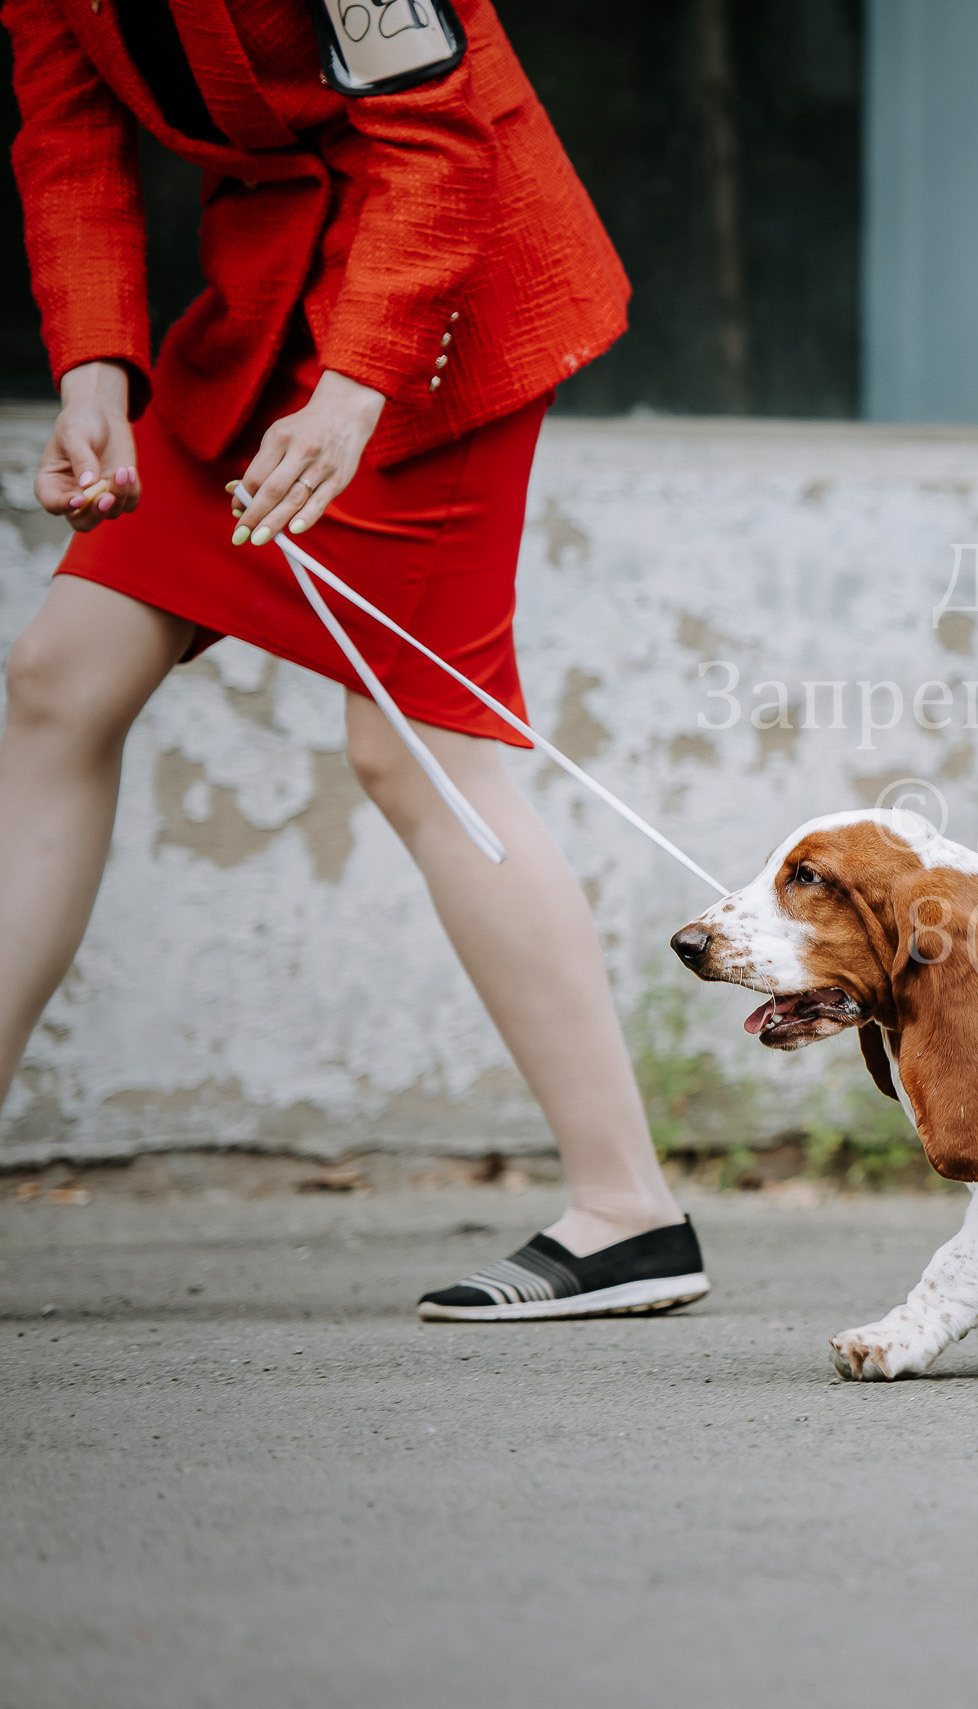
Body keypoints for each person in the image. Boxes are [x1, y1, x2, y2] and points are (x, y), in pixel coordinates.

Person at [1, 0, 707, 1320]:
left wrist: (356, 383)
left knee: (416, 750)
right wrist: (94, 366)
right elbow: (70, 130)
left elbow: (437, 135)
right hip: (266, 310)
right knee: (58, 681)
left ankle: (630, 1213)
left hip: (440, 305)